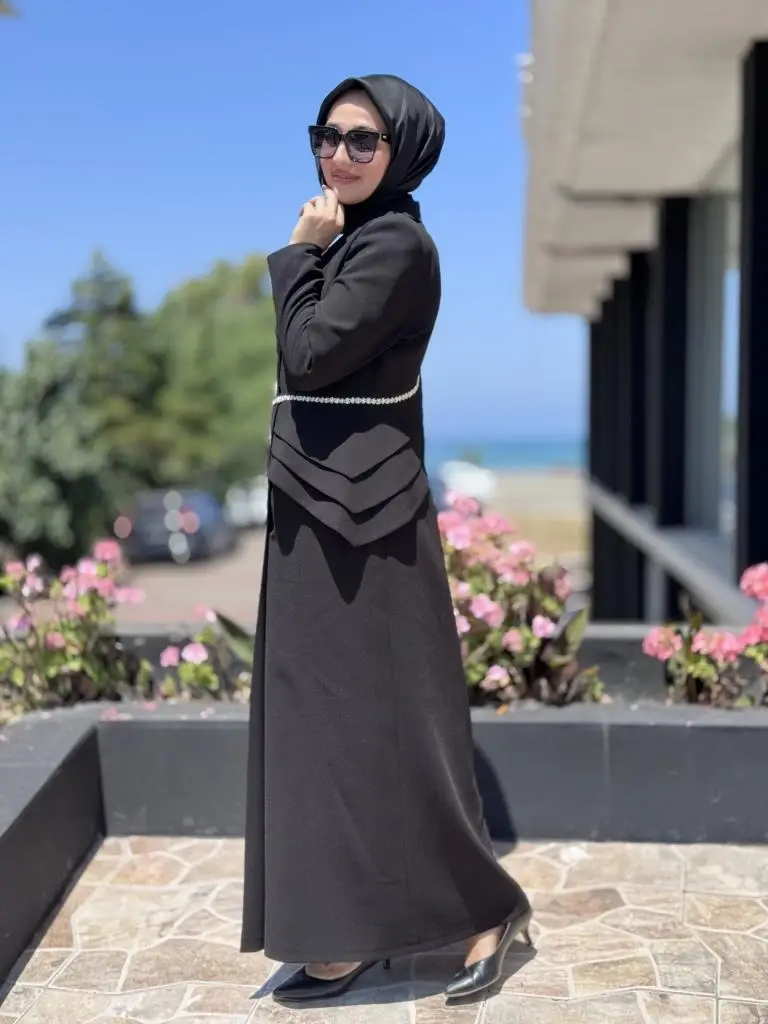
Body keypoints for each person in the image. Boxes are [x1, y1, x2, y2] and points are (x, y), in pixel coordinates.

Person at [240, 73, 532, 1005]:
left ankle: (487, 911)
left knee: (396, 724)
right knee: (322, 726)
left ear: (400, 150)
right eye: (327, 136)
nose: (339, 154)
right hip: (313, 508)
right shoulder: (356, 241)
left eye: (362, 139)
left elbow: (311, 352)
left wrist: (298, 252)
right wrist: (317, 253)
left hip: (369, 519)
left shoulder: (397, 244)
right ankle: (346, 928)